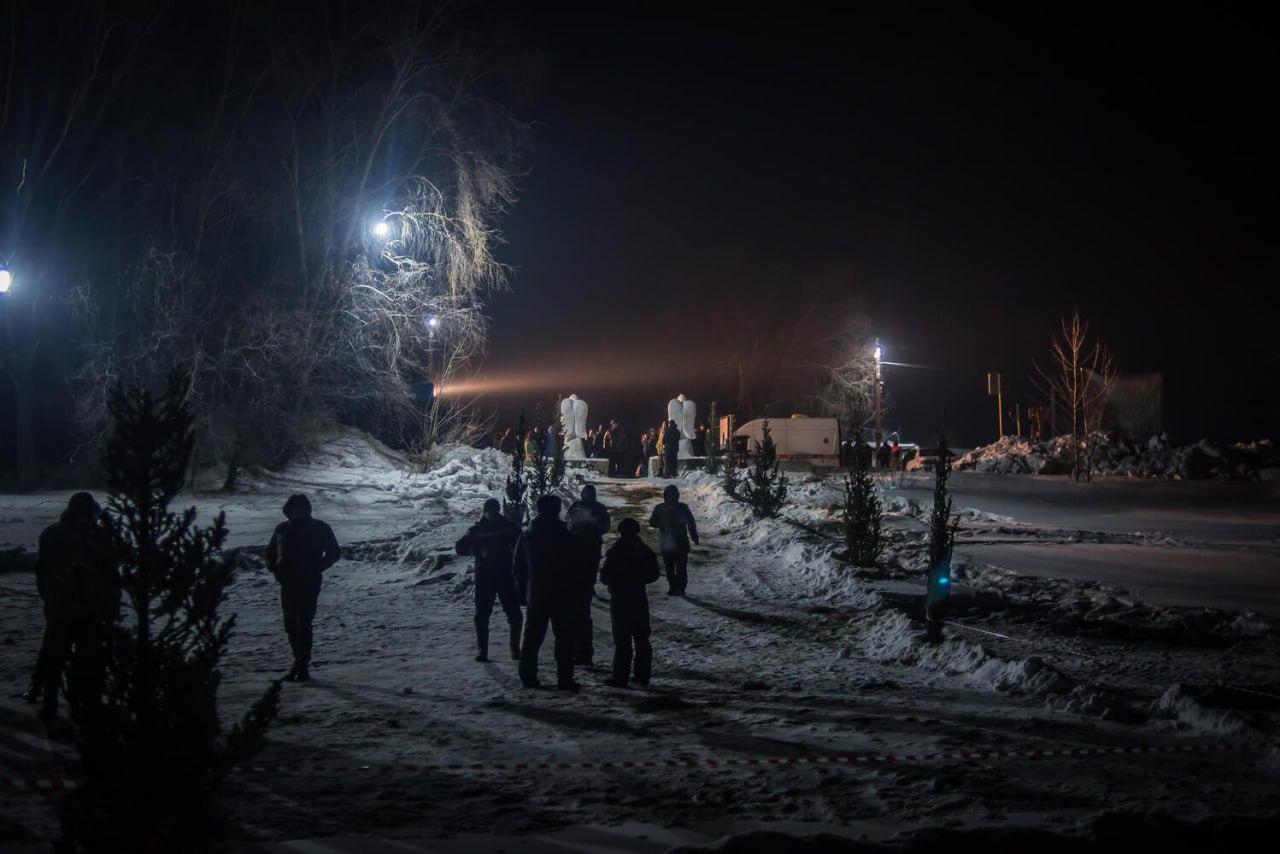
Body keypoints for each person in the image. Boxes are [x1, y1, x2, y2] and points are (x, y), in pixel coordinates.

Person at [26, 492, 118, 720]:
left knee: (54, 653)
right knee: (73, 654)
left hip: (63, 606)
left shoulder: (52, 533)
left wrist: (48, 598)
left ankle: (48, 699)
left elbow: (41, 572)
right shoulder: (94, 535)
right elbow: (109, 572)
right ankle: (78, 702)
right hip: (82, 606)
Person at [513, 495, 593, 690]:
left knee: (532, 638)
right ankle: (565, 679)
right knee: (564, 638)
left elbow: (518, 566)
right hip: (562, 592)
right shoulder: (565, 535)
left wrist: (523, 593)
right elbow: (578, 566)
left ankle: (527, 677)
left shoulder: (528, 534)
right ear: (557, 510)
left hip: (537, 592)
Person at [265, 494, 341, 682]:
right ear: (288, 510)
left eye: (299, 509)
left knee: (304, 622)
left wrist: (317, 568)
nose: (296, 512)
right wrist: (274, 569)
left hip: (309, 581)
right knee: (290, 624)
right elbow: (270, 552)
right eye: (293, 509)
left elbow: (334, 553)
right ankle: (298, 661)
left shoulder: (319, 528)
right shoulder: (282, 529)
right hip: (287, 582)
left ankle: (302, 665)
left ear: (307, 510)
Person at [456, 498, 523, 662]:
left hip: (506, 575)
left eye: (495, 510)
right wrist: (479, 551)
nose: (493, 513)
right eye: (490, 510)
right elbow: (460, 548)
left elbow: (522, 542)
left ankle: (515, 649)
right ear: (485, 511)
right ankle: (482, 651)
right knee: (482, 613)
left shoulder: (508, 526)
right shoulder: (476, 530)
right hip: (485, 576)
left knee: (514, 612)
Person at [599, 518, 660, 688]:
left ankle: (620, 676)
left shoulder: (615, 551)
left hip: (620, 598)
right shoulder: (644, 550)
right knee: (642, 638)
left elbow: (604, 576)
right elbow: (654, 574)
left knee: (622, 639)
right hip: (639, 597)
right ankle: (643, 675)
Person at [567, 485, 611, 666]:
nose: (587, 496)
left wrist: (594, 527)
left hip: (591, 545)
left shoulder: (599, 508)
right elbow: (568, 520)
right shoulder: (576, 506)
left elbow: (605, 526)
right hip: (575, 546)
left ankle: (589, 584)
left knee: (591, 568)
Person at [648, 485, 699, 596]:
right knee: (669, 568)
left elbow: (691, 523)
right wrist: (662, 524)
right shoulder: (660, 508)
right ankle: (672, 587)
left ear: (677, 496)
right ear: (665, 496)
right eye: (669, 495)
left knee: (681, 568)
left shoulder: (683, 508)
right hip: (667, 543)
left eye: (673, 495)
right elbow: (652, 521)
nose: (671, 497)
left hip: (681, 543)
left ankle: (681, 588)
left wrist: (694, 536)